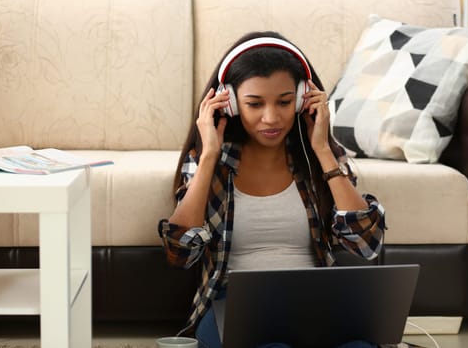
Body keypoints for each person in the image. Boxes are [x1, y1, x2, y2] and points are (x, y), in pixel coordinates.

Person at [158, 31, 386, 348]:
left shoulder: (319, 158)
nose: (271, 117)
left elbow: (366, 244)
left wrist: (322, 149)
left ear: (303, 98)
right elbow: (181, 254)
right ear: (231, 104)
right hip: (236, 305)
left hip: (315, 303)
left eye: (284, 102)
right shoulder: (209, 162)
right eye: (254, 104)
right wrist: (209, 155)